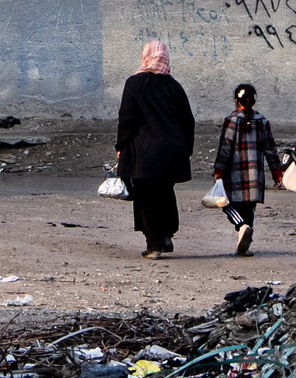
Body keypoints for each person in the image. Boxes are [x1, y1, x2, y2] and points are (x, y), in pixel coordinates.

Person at [114, 39, 195, 258]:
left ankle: (154, 245)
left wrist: (121, 146)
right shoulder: (174, 86)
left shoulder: (135, 83)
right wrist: (186, 150)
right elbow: (188, 121)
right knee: (165, 192)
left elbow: (127, 118)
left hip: (145, 152)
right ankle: (167, 235)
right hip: (173, 152)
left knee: (146, 197)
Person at [210, 83, 277, 257]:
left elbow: (225, 148)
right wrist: (277, 173)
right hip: (255, 176)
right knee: (249, 208)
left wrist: (218, 170)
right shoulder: (262, 120)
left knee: (226, 204)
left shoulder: (232, 120)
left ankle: (241, 227)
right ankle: (245, 243)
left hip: (234, 174)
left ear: (235, 101)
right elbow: (270, 150)